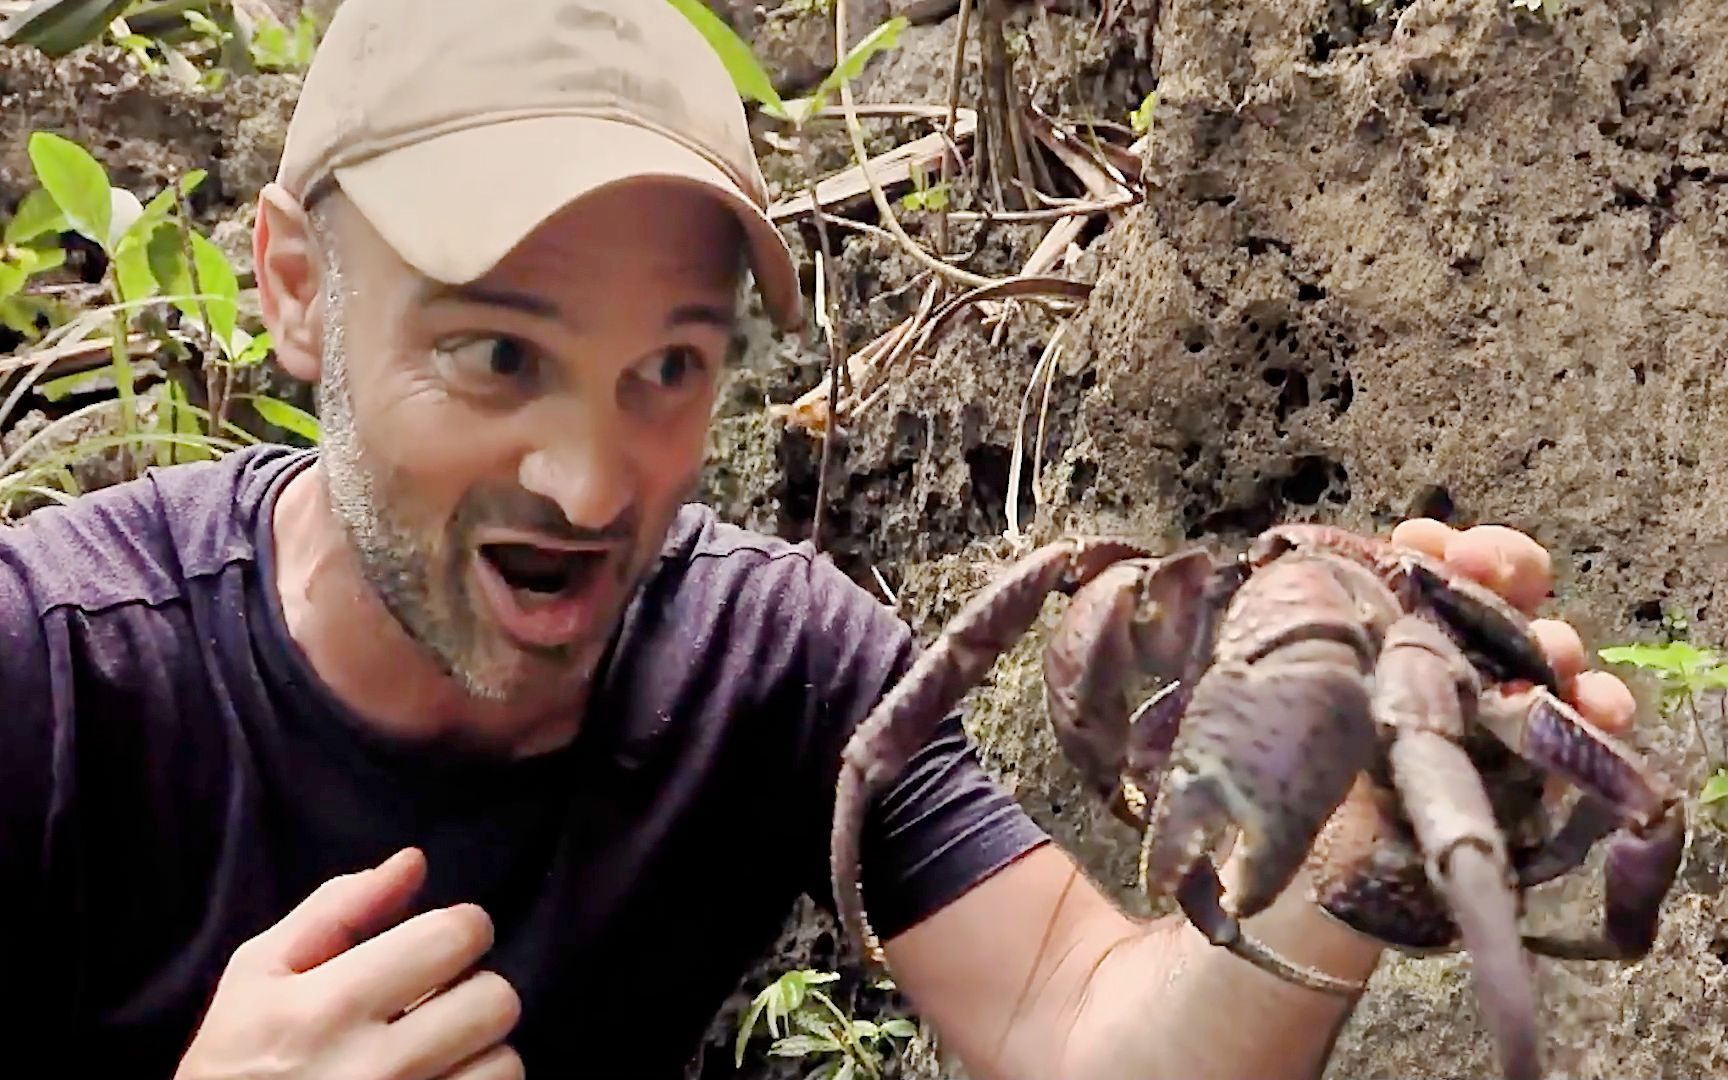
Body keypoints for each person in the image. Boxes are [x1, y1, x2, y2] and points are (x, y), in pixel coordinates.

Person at [0, 0, 1640, 1077]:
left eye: (670, 370)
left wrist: (1339, 856)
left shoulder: (767, 664)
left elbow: (1086, 1029)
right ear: (296, 287)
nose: (587, 482)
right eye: (497, 355)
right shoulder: (50, 683)